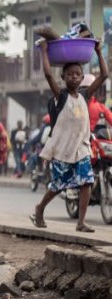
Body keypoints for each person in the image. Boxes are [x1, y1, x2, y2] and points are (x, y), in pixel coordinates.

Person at [31, 40, 107, 233]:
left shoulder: (85, 95)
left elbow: (104, 75)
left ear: (82, 78)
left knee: (87, 181)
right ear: (64, 77)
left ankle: (81, 222)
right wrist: (45, 52)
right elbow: (48, 75)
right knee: (58, 185)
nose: (74, 77)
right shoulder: (61, 96)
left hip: (81, 147)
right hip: (63, 149)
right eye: (70, 74)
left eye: (78, 74)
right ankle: (40, 208)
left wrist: (98, 51)